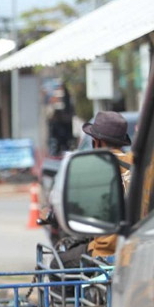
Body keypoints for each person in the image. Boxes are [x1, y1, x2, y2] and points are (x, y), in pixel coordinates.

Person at [57, 111, 134, 268]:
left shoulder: (97, 166)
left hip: (106, 251)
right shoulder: (137, 163)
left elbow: (81, 207)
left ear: (97, 142)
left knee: (57, 264)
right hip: (134, 248)